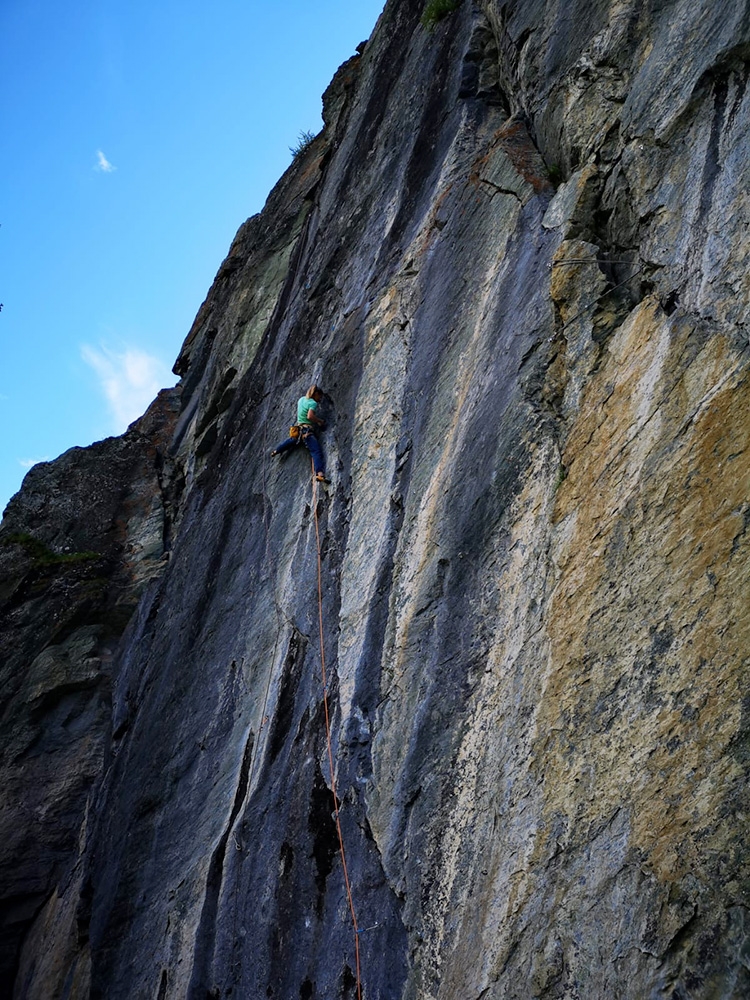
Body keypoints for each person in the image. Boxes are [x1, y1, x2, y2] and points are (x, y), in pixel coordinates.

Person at [271, 384, 329, 483]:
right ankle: (320, 474)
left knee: (292, 440)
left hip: (298, 429)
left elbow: (303, 413)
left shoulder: (301, 399)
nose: (320, 399)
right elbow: (310, 416)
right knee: (316, 451)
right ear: (315, 394)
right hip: (307, 431)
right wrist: (320, 421)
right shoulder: (313, 403)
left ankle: (277, 450)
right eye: (320, 396)